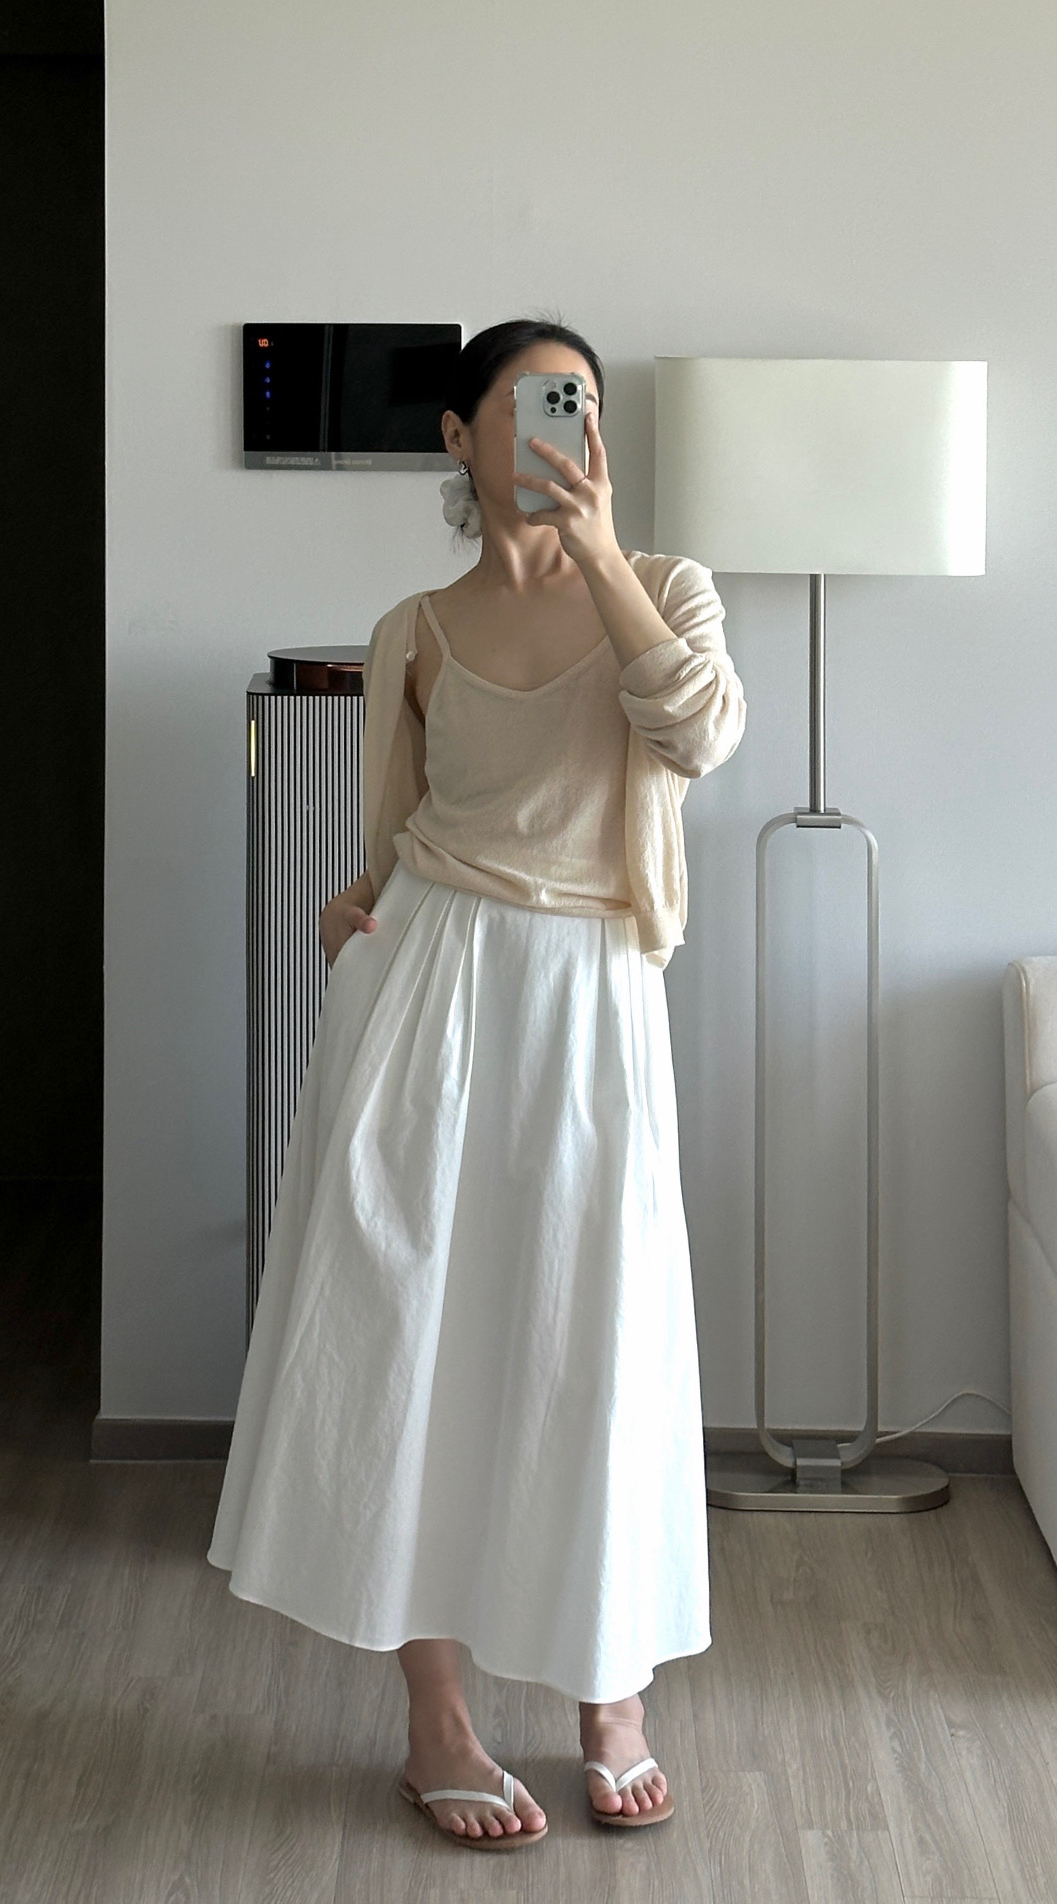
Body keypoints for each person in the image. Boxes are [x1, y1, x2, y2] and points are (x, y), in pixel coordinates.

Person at [207, 318, 747, 1851]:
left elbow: (699, 731)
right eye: (530, 402)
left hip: (591, 994)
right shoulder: (415, 630)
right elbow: (395, 830)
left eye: (580, 402)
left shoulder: (670, 591)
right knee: (412, 1345)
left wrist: (604, 551)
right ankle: (435, 1721)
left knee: (597, 1340)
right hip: (429, 989)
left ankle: (610, 1697)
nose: (564, 425)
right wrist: (356, 906)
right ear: (458, 435)